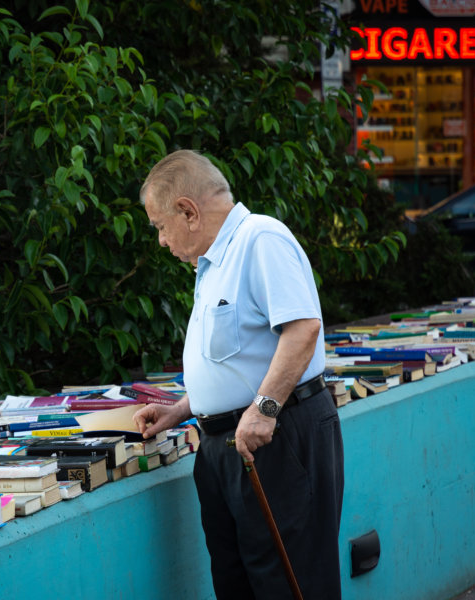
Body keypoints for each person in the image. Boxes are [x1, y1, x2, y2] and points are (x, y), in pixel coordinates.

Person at [132, 149, 344, 599]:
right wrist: (182, 410)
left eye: (160, 226)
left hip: (275, 439)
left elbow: (303, 329)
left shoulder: (260, 239)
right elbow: (239, 361)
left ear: (188, 211)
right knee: (238, 585)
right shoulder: (211, 264)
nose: (161, 241)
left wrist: (265, 409)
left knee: (288, 583)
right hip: (225, 448)